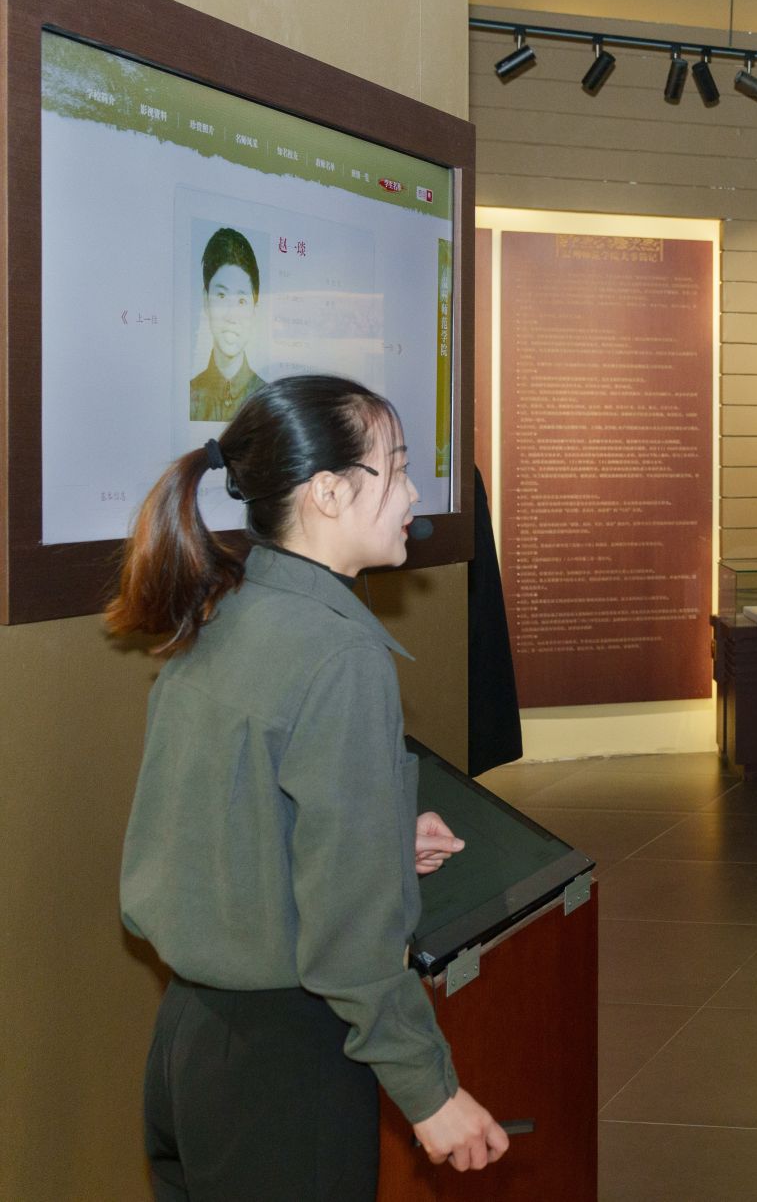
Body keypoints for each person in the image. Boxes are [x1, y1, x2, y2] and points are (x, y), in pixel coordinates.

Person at [111, 375, 507, 1198]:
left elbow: (207, 827)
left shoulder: (225, 613)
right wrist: (430, 1091)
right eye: (398, 469)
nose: (413, 495)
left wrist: (379, 838)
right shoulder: (340, 654)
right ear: (328, 492)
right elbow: (351, 941)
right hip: (285, 1069)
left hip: (189, 1045)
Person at [189, 226, 266, 422]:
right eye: (221, 296)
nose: (232, 316)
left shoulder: (268, 401)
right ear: (206, 300)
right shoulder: (189, 397)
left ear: (255, 310)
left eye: (241, 301)